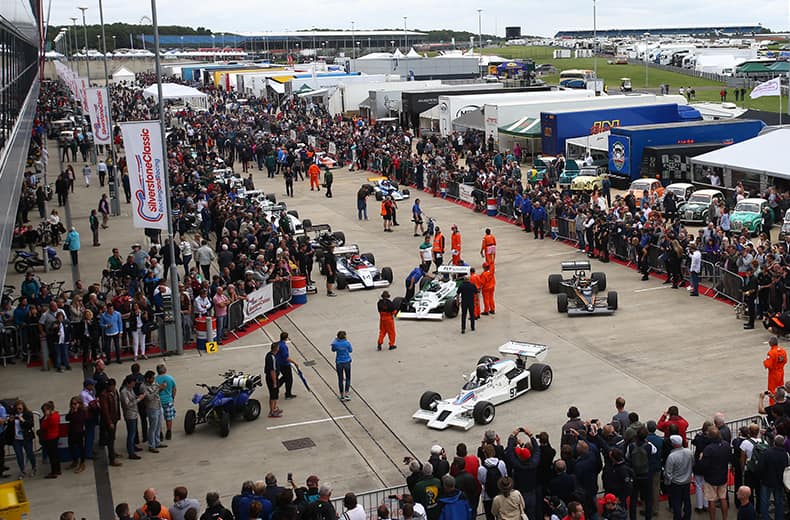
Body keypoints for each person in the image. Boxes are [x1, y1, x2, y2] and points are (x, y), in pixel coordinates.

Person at [757, 435, 788, 520]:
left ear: (774, 442)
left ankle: (765, 518)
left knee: (764, 502)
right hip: (779, 481)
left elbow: (760, 467)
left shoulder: (766, 453)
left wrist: (760, 478)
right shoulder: (785, 454)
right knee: (779, 502)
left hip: (767, 481)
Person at [664, 435, 693, 520]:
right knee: (687, 501)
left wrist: (668, 482)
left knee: (676, 503)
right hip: (687, 481)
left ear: (673, 444)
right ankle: (687, 517)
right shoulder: (689, 452)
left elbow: (668, 473)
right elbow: (693, 463)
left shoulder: (672, 456)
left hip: (676, 483)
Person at [98, 378, 123, 467]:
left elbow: (117, 404)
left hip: (114, 417)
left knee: (112, 437)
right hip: (109, 420)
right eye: (110, 386)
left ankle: (113, 452)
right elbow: (105, 411)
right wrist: (109, 422)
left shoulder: (115, 392)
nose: (112, 388)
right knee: (110, 439)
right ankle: (112, 459)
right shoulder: (104, 395)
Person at [120, 376, 144, 461]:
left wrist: (138, 397)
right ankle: (131, 452)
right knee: (131, 433)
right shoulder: (124, 392)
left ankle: (132, 446)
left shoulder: (130, 390)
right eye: (133, 383)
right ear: (128, 383)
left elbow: (133, 397)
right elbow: (128, 404)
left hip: (134, 413)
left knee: (133, 432)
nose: (134, 384)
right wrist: (138, 399)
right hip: (129, 414)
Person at [142, 370, 167, 452]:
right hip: (152, 408)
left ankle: (157, 442)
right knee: (153, 427)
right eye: (152, 378)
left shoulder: (154, 383)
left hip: (158, 406)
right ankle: (151, 445)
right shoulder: (143, 387)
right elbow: (149, 397)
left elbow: (158, 388)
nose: (153, 379)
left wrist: (161, 388)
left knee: (158, 426)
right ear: (147, 379)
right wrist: (159, 389)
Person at [155, 364, 177, 440]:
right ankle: (169, 431)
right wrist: (173, 398)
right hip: (168, 400)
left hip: (158, 401)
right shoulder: (170, 378)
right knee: (169, 417)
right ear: (165, 370)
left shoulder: (155, 379)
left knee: (159, 418)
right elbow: (174, 389)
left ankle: (160, 433)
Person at [40, 401, 61, 478]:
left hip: (50, 437)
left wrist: (45, 418)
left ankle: (54, 472)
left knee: (52, 456)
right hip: (55, 436)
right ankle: (58, 470)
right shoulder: (56, 415)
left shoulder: (51, 418)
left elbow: (43, 426)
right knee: (55, 455)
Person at [276, 331, 300, 400]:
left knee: (285, 377)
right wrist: (294, 362)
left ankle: (277, 386)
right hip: (284, 365)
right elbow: (286, 357)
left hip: (279, 363)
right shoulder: (284, 346)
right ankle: (288, 394)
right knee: (289, 379)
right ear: (286, 338)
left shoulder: (278, 344)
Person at [331, 330, 353, 401]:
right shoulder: (347, 343)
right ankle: (346, 393)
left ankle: (341, 395)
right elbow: (350, 350)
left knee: (340, 379)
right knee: (348, 378)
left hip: (339, 362)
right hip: (347, 361)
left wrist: (335, 341)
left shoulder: (336, 344)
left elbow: (333, 350)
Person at [265, 342, 282, 418]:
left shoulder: (268, 355)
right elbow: (272, 371)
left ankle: (274, 409)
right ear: (277, 349)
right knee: (273, 395)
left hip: (271, 378)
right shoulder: (272, 358)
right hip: (272, 378)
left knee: (275, 394)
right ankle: (272, 411)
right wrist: (274, 382)